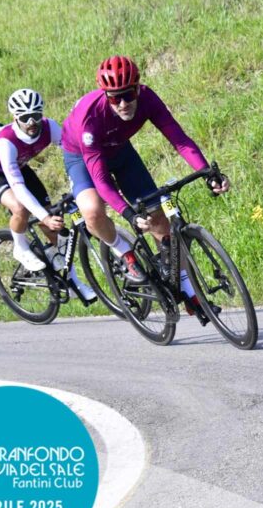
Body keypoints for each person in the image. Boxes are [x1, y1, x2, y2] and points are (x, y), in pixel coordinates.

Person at [60, 55, 230, 320]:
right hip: (82, 156)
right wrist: (128, 213)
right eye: (115, 98)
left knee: (158, 217)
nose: (123, 104)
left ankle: (190, 294)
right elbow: (101, 180)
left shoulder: (148, 99)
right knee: (92, 211)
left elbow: (180, 140)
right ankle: (123, 252)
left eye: (128, 95)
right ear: (106, 96)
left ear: (138, 88)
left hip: (119, 149)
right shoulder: (90, 120)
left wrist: (207, 173)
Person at [0, 88, 96, 301]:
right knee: (20, 208)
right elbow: (19, 189)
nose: (31, 122)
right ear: (15, 118)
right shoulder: (6, 143)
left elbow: (75, 151)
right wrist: (44, 217)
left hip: (20, 166)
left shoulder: (49, 127)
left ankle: (73, 282)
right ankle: (20, 247)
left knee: (53, 228)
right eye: (24, 118)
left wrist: (87, 181)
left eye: (36, 115)